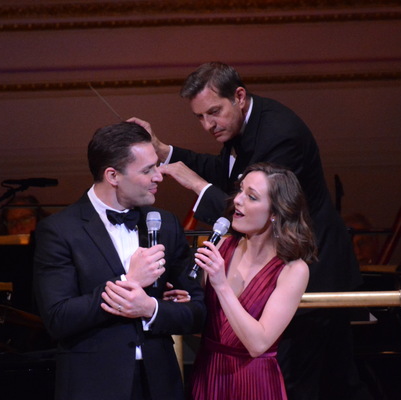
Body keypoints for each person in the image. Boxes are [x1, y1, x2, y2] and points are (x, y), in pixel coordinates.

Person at [129, 62, 369, 399]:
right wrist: (165, 151)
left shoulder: (278, 133)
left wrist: (198, 187)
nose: (208, 125)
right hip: (261, 283)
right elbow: (225, 171)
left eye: (214, 112)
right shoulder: (240, 128)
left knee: (312, 381)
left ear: (239, 96)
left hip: (311, 264)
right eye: (199, 117)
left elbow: (257, 208)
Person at [33, 121, 206, 400]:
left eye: (157, 166)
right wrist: (129, 282)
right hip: (94, 385)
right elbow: (58, 318)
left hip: (159, 383)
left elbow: (197, 313)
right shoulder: (60, 230)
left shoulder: (165, 224)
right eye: (148, 170)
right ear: (113, 175)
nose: (159, 176)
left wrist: (151, 308)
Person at [190, 163, 313, 400]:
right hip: (208, 374)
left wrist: (221, 285)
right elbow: (206, 321)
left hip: (253, 383)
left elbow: (258, 344)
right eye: (240, 191)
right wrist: (187, 300)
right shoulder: (222, 246)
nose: (237, 200)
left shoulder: (293, 270)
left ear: (276, 212)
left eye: (251, 197)